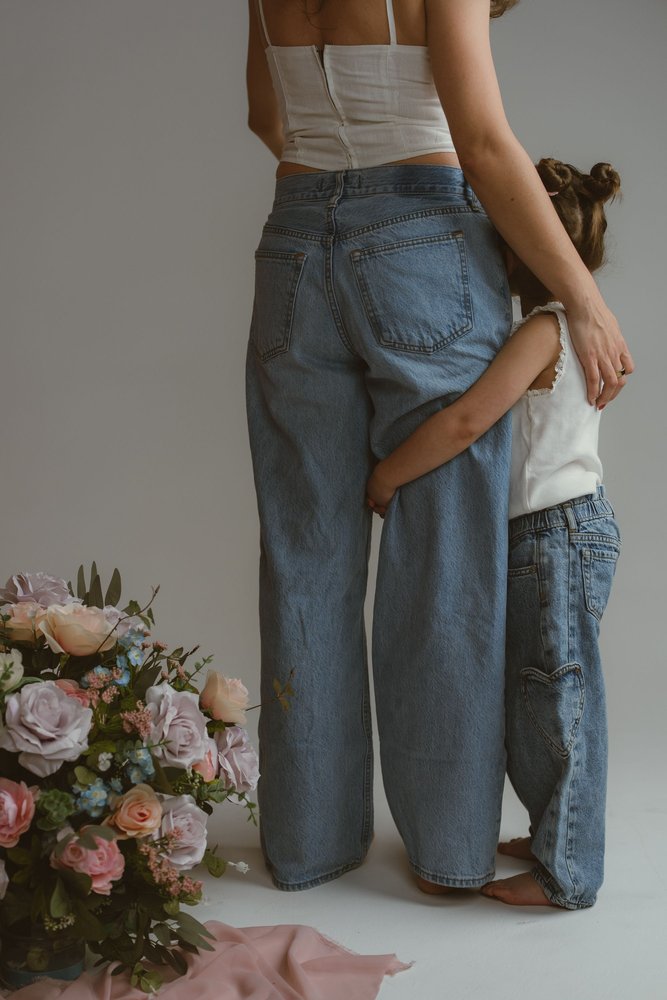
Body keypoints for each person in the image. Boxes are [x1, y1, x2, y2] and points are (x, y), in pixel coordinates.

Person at [245, 0, 633, 894]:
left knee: (304, 554)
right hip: (419, 237)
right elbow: (483, 142)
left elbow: (268, 118)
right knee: (444, 562)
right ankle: (447, 853)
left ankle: (307, 843)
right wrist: (582, 300)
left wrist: (334, 185)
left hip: (291, 243)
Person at [366, 156, 623, 909]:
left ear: (519, 248)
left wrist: (388, 475)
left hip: (555, 533)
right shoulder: (572, 325)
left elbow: (467, 420)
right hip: (554, 533)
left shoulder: (543, 330)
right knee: (533, 697)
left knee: (557, 701)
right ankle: (552, 835)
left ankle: (567, 873)